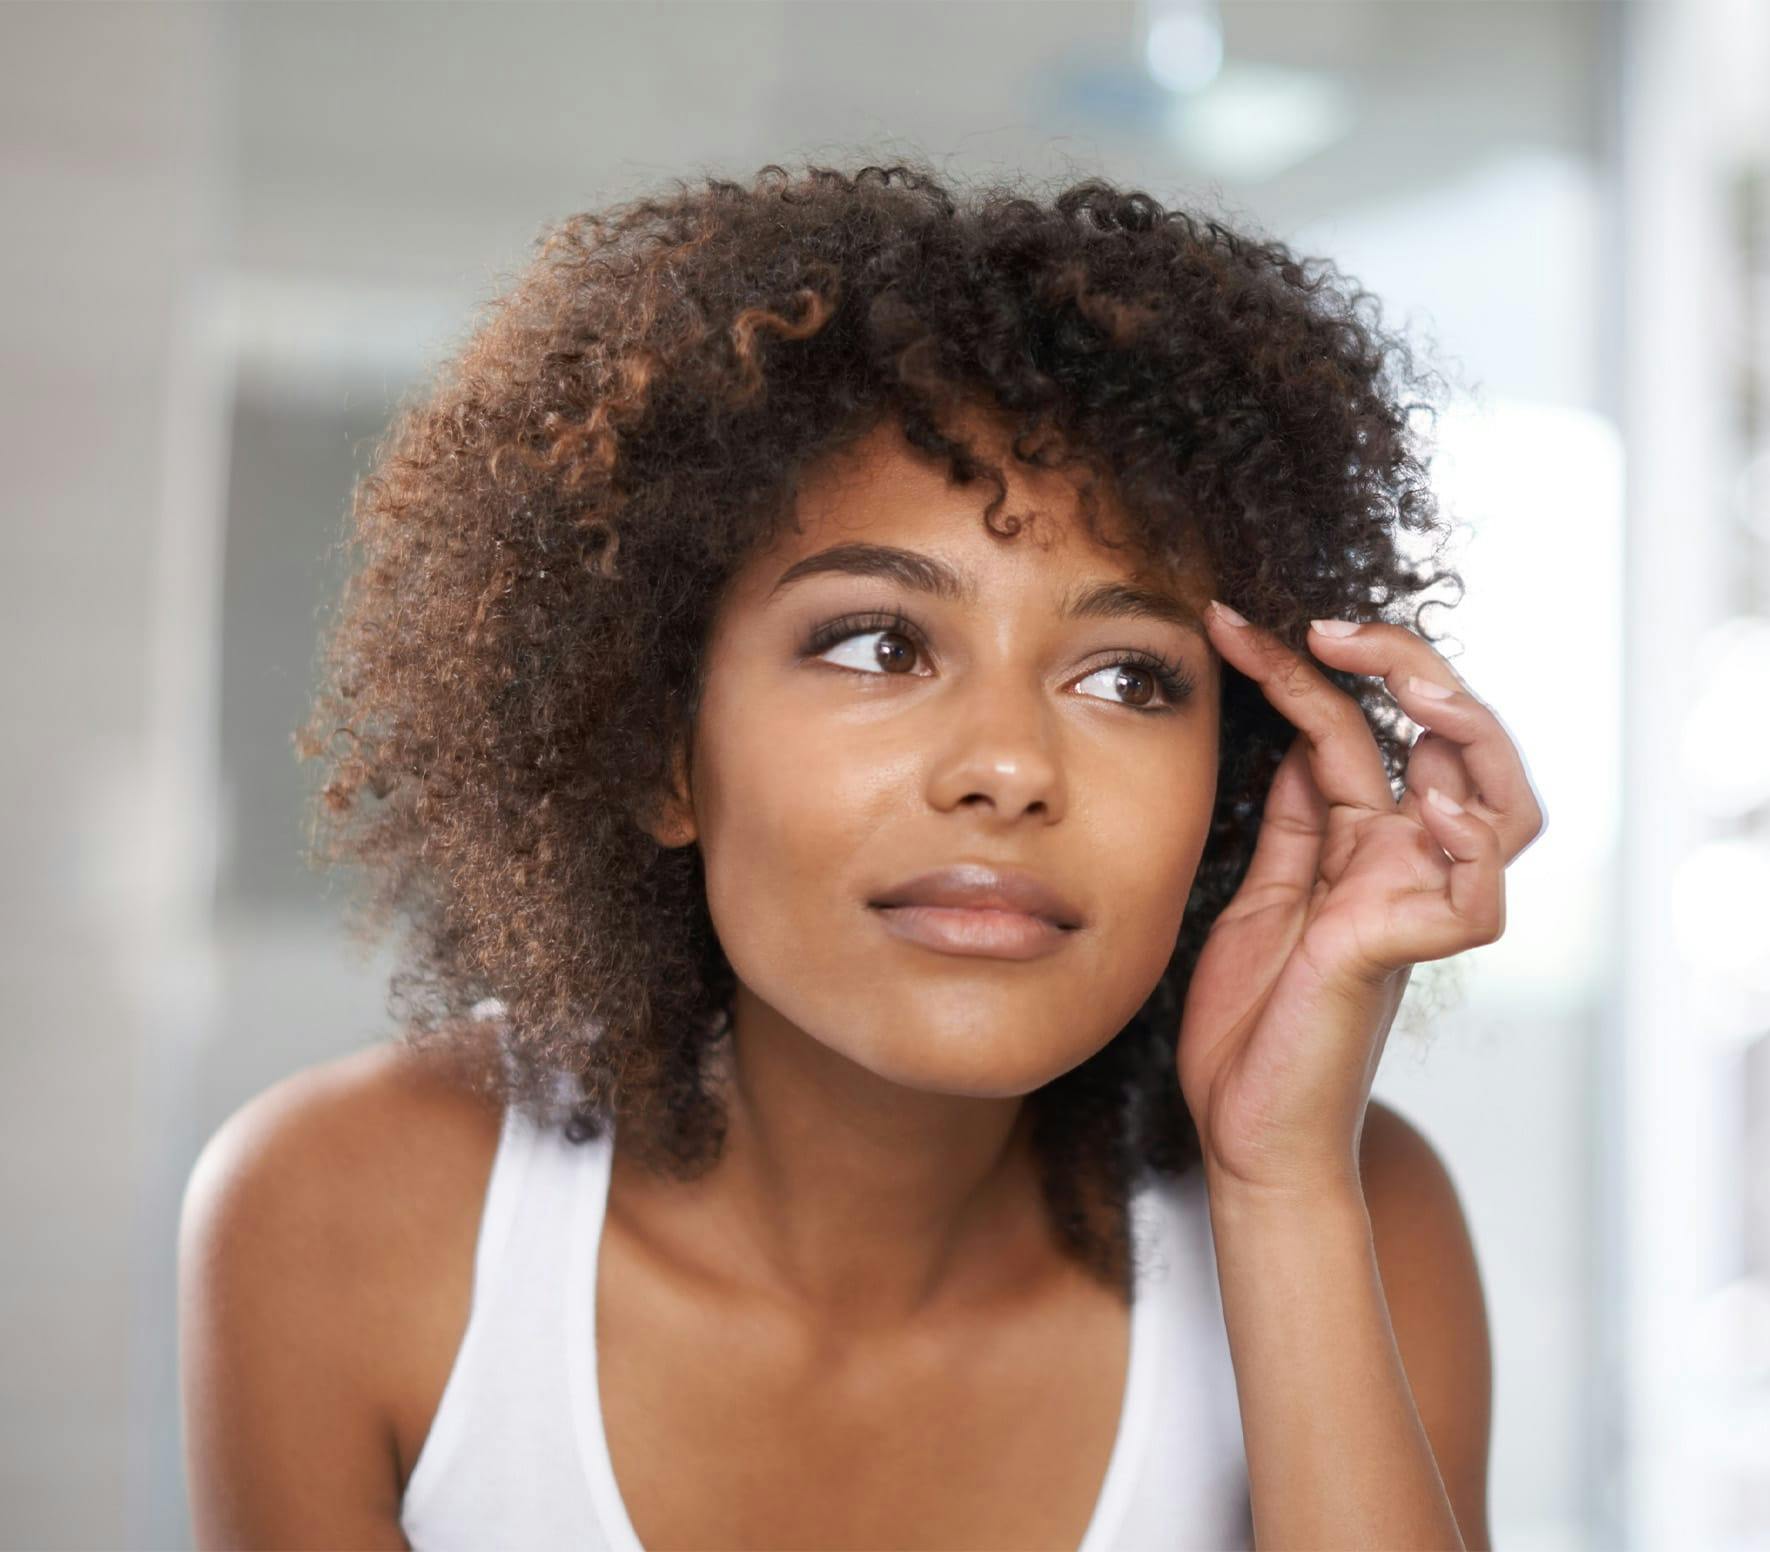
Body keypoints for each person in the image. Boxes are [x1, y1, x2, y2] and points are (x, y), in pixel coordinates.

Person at [180, 160, 1536, 1550]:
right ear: (657, 748)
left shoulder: (1354, 1210)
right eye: (879, 645)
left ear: (1234, 783)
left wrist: (1279, 1193)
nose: (1009, 768)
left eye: (1127, 677)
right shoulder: (348, 1211)